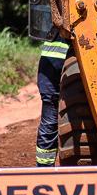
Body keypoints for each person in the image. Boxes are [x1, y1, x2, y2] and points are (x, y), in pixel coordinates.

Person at [34, 36, 69, 166]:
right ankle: (44, 168)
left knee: (49, 123)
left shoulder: (56, 24)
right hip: (58, 68)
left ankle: (44, 169)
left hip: (48, 68)